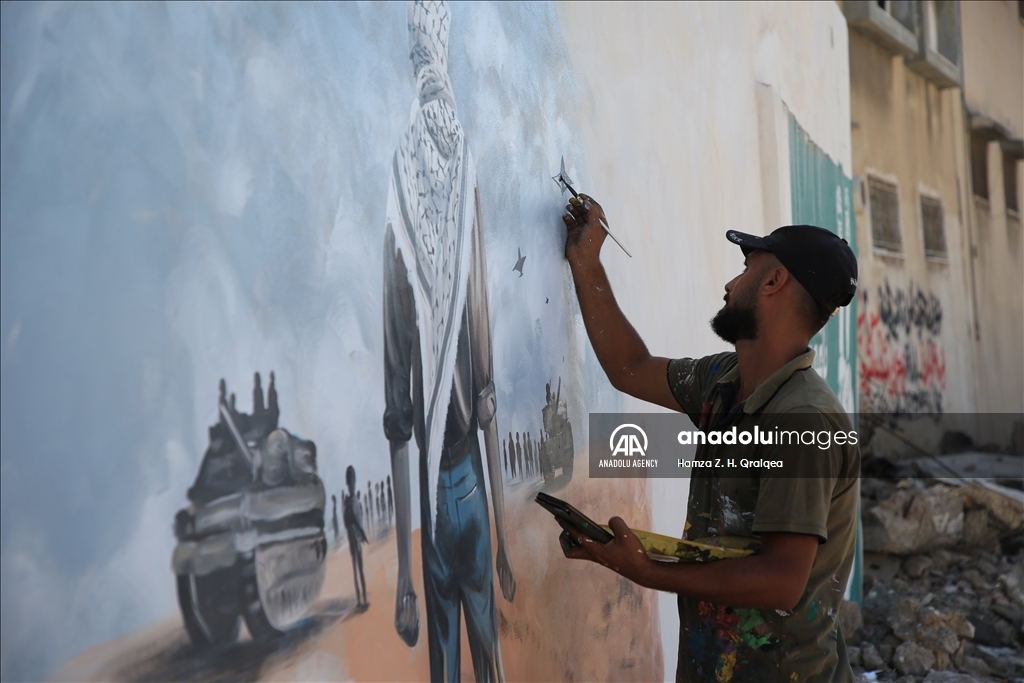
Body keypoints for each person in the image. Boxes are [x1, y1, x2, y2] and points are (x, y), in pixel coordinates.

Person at [558, 194, 860, 682]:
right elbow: (629, 367)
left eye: (744, 268)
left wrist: (645, 571)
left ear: (774, 281)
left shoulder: (804, 421)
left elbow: (782, 580)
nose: (729, 283)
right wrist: (586, 262)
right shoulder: (727, 380)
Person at [382, 2, 515, 680]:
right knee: (481, 655)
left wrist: (406, 568)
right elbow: (483, 390)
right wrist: (503, 540)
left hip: (436, 500)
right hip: (461, 487)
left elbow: (400, 421)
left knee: (447, 664)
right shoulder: (461, 192)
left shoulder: (401, 207)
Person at [343, 466, 369, 609]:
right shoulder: (351, 502)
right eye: (350, 483)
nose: (351, 486)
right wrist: (362, 534)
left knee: (358, 569)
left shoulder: (351, 502)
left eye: (352, 483)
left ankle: (362, 599)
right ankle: (361, 600)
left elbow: (352, 522)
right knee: (357, 569)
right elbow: (354, 522)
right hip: (355, 540)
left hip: (355, 539)